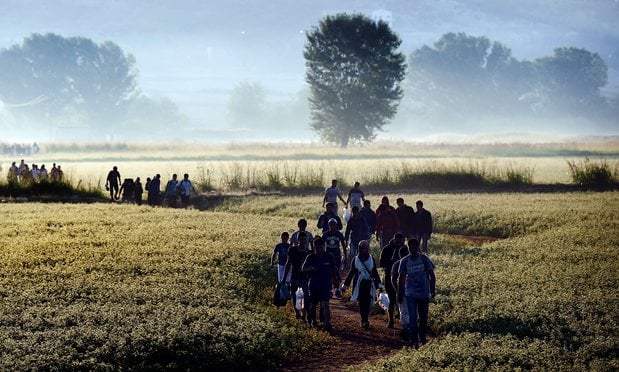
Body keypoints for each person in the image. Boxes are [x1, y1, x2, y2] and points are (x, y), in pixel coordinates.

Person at [397, 238, 436, 348]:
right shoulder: (404, 261)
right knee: (412, 319)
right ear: (408, 248)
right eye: (410, 248)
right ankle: (414, 341)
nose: (412, 250)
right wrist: (400, 293)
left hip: (424, 293)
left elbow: (431, 275)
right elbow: (401, 278)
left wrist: (432, 290)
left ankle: (423, 339)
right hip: (411, 294)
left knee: (423, 319)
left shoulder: (424, 259)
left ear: (418, 247)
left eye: (415, 247)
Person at [341, 240, 382, 330]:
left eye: (365, 248)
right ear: (359, 249)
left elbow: (374, 272)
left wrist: (379, 285)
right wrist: (345, 286)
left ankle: (365, 319)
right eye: (362, 248)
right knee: (361, 302)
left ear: (368, 249)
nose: (363, 250)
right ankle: (364, 319)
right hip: (359, 285)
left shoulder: (372, 259)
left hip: (369, 284)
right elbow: (351, 273)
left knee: (367, 302)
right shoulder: (355, 260)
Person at [302, 237, 340, 330]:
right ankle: (313, 321)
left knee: (325, 304)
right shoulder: (310, 257)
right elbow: (303, 268)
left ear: (324, 246)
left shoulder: (329, 256)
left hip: (325, 284)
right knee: (313, 304)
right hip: (314, 284)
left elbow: (334, 269)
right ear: (314, 247)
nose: (319, 250)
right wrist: (310, 269)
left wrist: (336, 283)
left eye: (321, 247)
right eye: (317, 248)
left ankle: (327, 323)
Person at [379, 233, 405, 329]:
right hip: (389, 276)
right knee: (392, 299)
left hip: (402, 278)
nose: (398, 242)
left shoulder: (404, 249)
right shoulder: (386, 249)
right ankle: (391, 320)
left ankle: (402, 321)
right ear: (394, 239)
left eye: (400, 241)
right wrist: (391, 261)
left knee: (402, 300)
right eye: (397, 240)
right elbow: (382, 263)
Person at [284, 232, 311, 321]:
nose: (303, 242)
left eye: (304, 240)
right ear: (298, 240)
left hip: (304, 278)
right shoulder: (292, 250)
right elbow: (288, 263)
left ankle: (303, 313)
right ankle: (297, 313)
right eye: (301, 240)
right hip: (294, 276)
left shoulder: (308, 253)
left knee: (305, 297)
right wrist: (284, 278)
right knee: (295, 296)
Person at [392, 244, 410, 339]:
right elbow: (394, 279)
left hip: (407, 291)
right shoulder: (398, 264)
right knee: (406, 311)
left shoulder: (397, 264)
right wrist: (399, 291)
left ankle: (406, 329)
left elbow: (393, 280)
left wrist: (398, 290)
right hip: (406, 291)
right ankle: (406, 330)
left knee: (403, 311)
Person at [322, 218, 347, 287]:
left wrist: (345, 256)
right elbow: (322, 246)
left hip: (337, 255)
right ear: (328, 225)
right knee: (328, 272)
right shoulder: (325, 234)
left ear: (336, 225)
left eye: (333, 225)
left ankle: (337, 288)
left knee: (336, 271)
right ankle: (329, 287)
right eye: (331, 225)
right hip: (328, 255)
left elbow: (343, 245)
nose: (332, 226)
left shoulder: (339, 234)